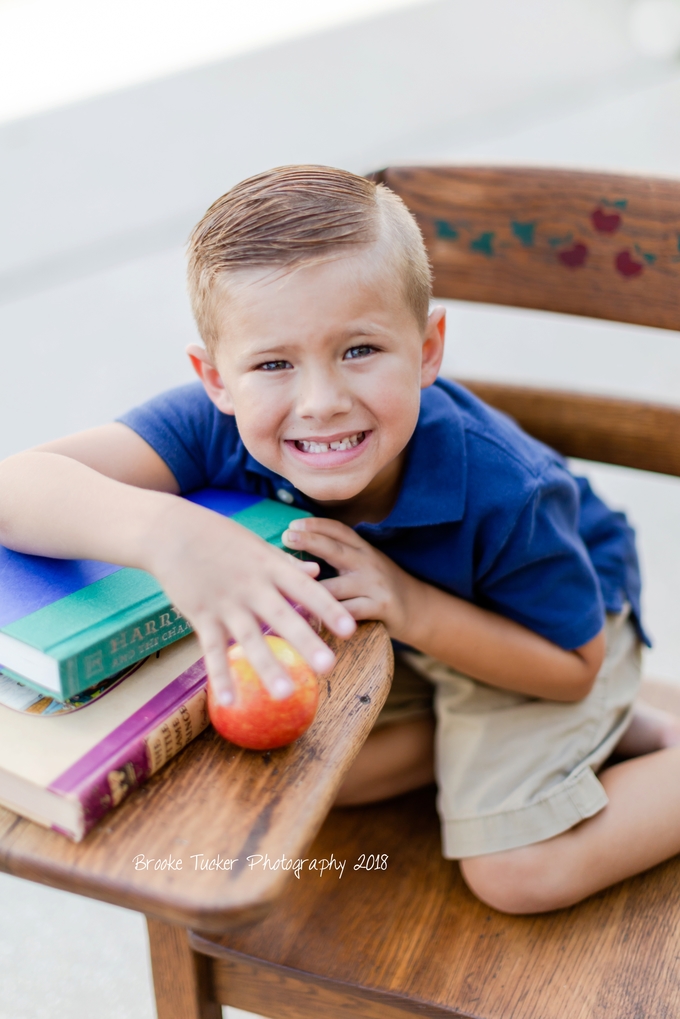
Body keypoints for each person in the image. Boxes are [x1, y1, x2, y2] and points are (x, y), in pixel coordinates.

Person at [1, 165, 679, 915]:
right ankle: (593, 739)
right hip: (410, 644)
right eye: (273, 364)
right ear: (216, 379)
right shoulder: (213, 423)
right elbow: (15, 487)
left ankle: (601, 728)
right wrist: (170, 533)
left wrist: (412, 605)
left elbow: (571, 668)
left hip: (541, 634)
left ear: (426, 349)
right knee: (329, 776)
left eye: (359, 350)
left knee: (513, 871)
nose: (320, 403)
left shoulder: (507, 493)